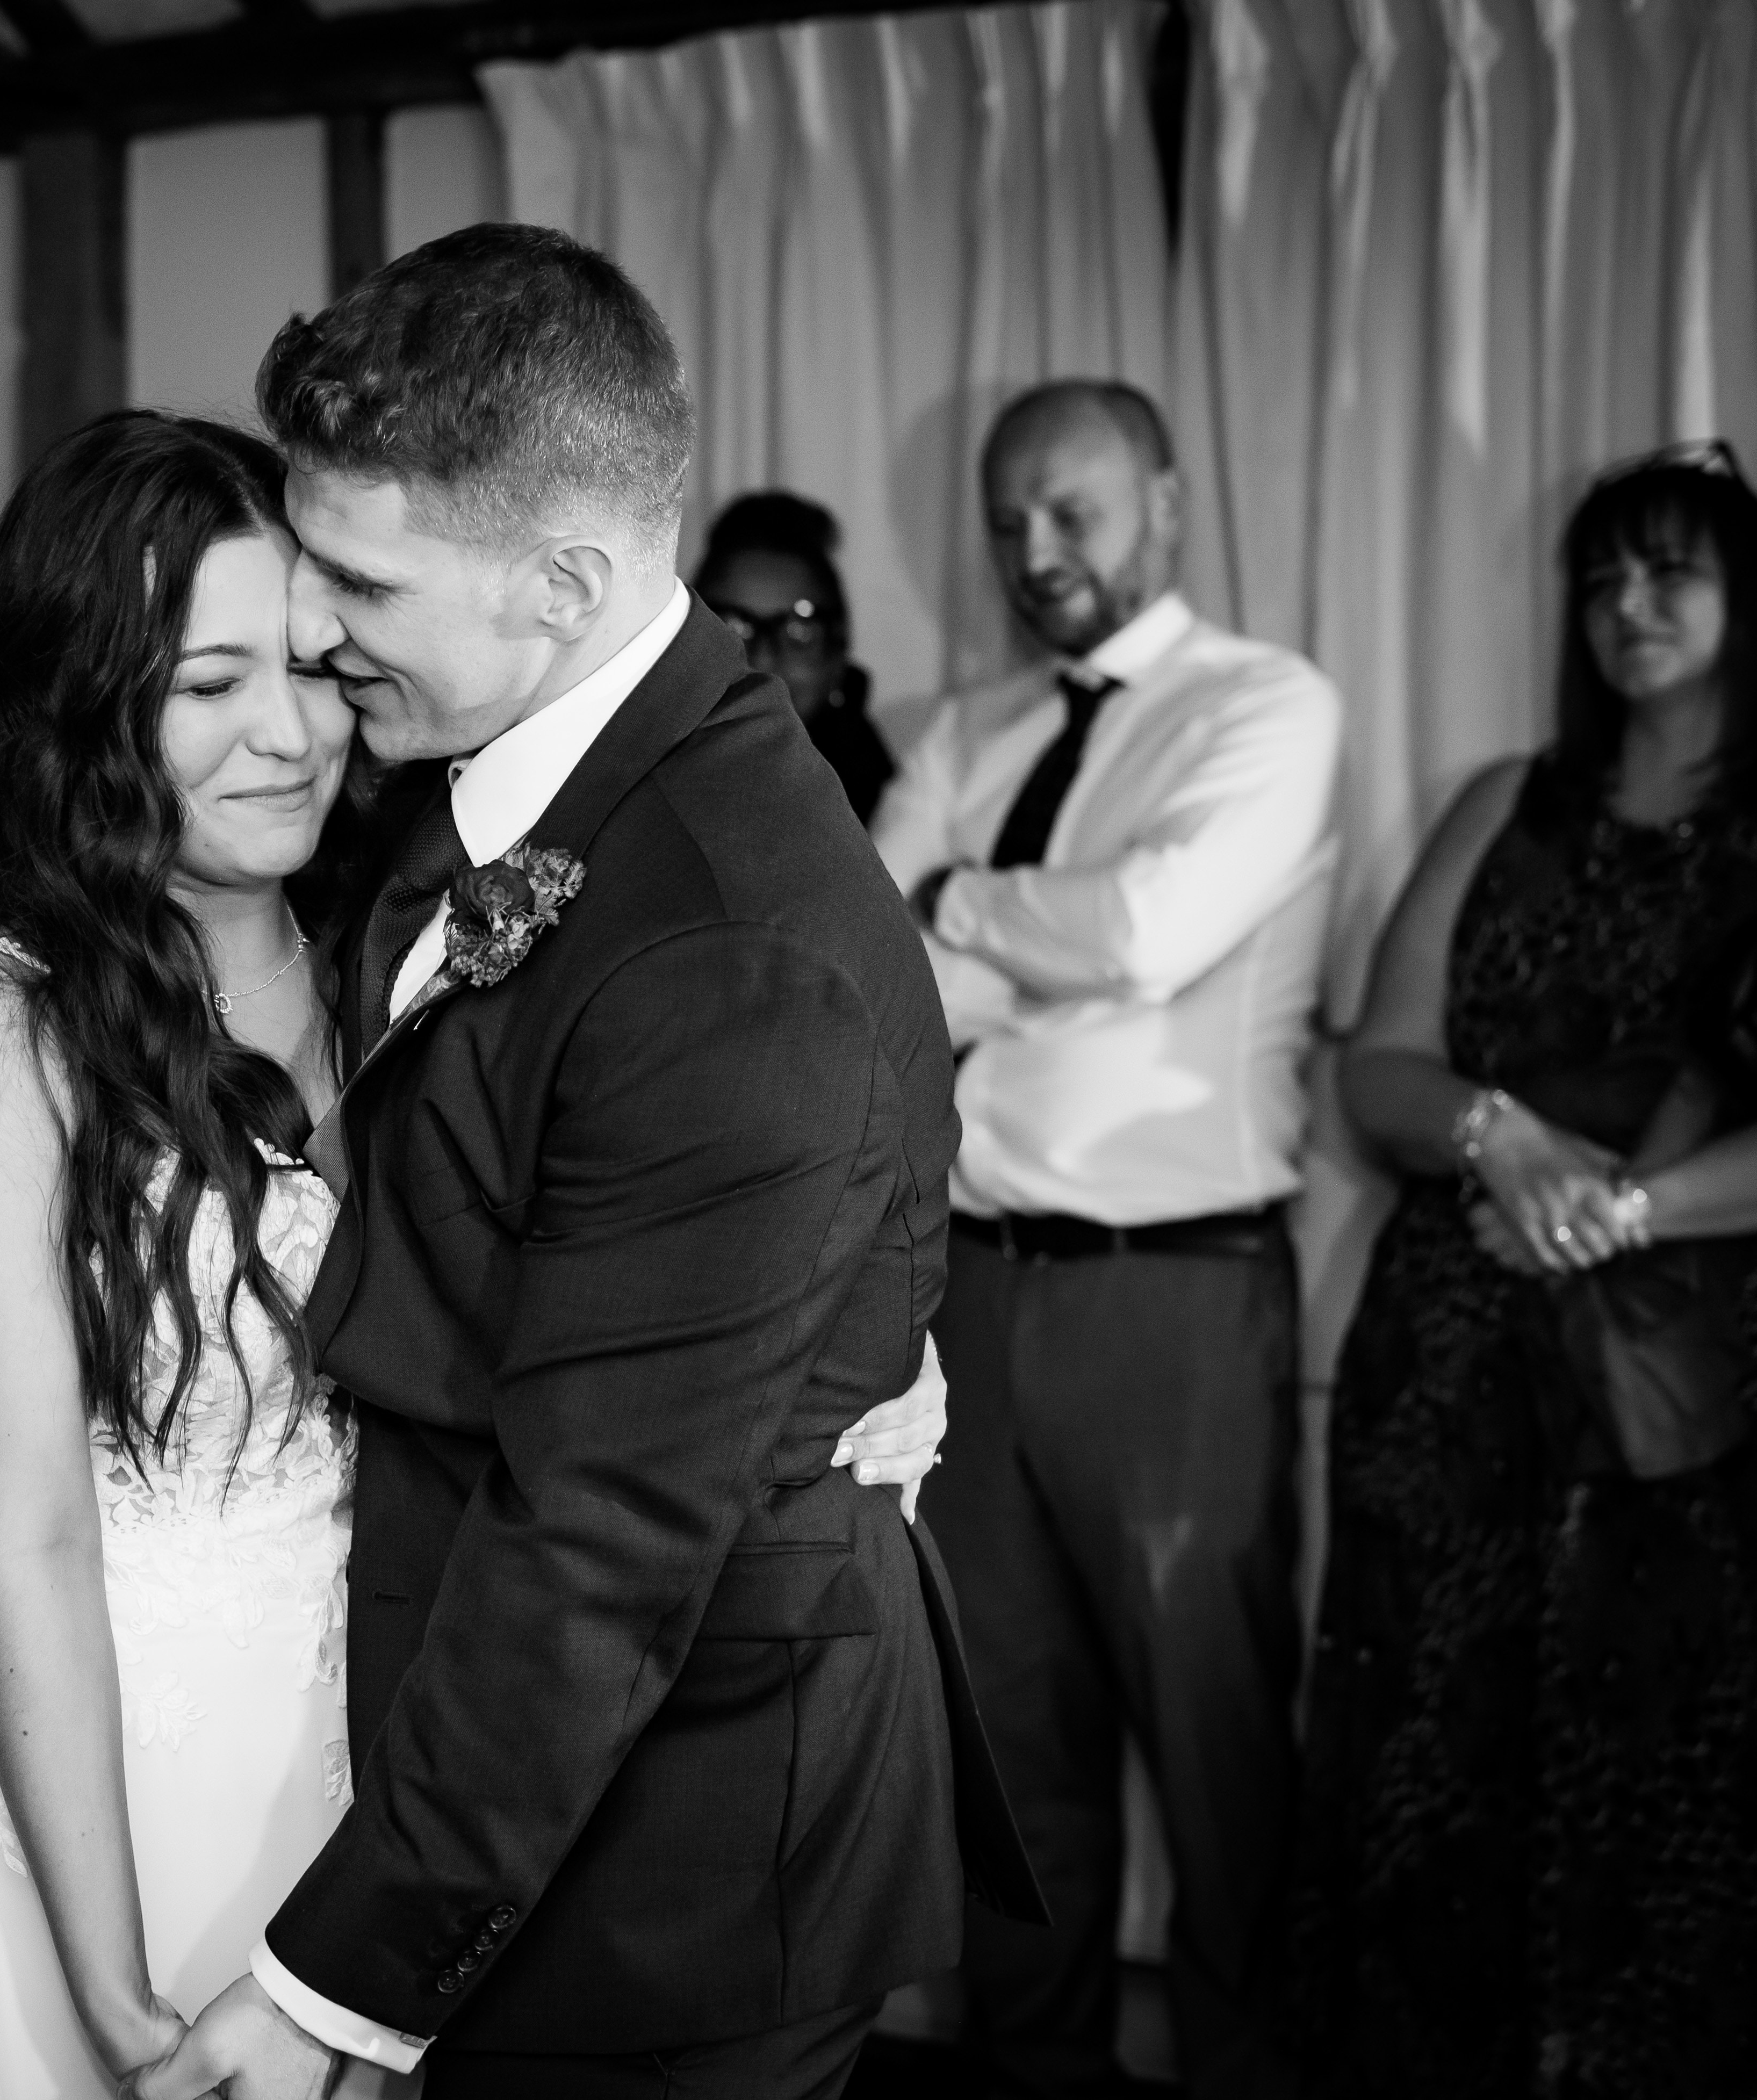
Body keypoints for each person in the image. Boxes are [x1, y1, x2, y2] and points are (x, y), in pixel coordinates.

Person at [144, 224, 1021, 2100]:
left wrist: (331, 1983)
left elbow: (601, 1539)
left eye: (356, 580)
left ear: (560, 580)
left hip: (674, 1848)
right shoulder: (474, 764)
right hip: (509, 1751)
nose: (307, 630)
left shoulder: (724, 946)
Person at [866, 379, 1342, 2100]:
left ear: (1161, 497)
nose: (1033, 552)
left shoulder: (1263, 706)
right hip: (972, 1297)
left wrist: (959, 908)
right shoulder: (966, 730)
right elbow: (867, 971)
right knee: (1005, 1745)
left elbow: (1152, 925)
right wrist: (989, 935)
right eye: (1004, 522)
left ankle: (1239, 2067)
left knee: (1213, 1756)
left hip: (1174, 1301)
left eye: (1068, 510)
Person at [1293, 439, 1757, 2097]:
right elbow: (1376, 1066)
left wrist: (1616, 1209)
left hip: (1682, 1397)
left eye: (1667, 573)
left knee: (1663, 1792)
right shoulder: (1505, 798)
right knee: (1432, 1750)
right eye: (1599, 578)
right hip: (1450, 1368)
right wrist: (1508, 1139)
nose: (1626, 607)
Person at [696, 490, 897, 819]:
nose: (760, 660)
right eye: (732, 628)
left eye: (798, 633)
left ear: (838, 659)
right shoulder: (626, 766)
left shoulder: (877, 803)